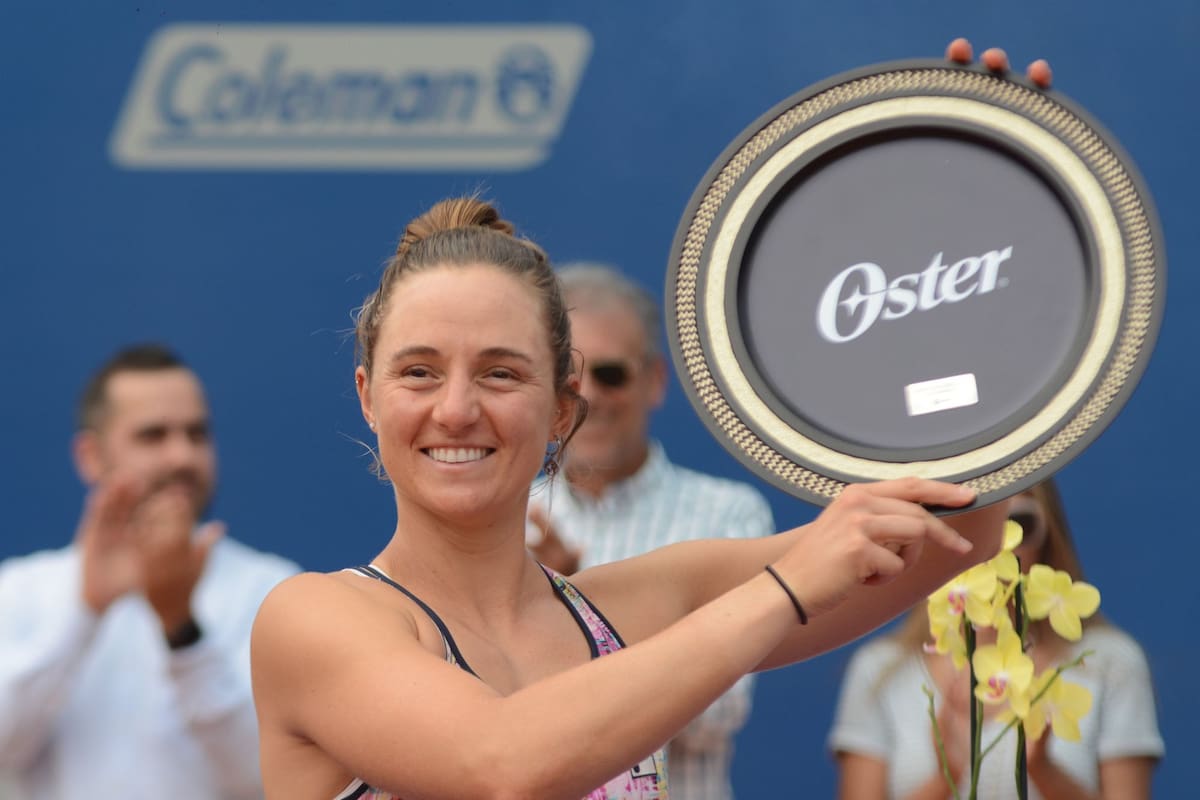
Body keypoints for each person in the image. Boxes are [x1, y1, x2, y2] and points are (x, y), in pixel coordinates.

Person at [249, 192, 1014, 800]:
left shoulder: (636, 607)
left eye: (500, 372)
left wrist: (976, 209)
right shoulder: (315, 621)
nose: (454, 409)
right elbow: (504, 765)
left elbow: (956, 532)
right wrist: (785, 588)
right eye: (418, 371)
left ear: (560, 408)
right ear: (367, 398)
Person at [0, 344, 302, 799]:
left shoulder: (271, 591)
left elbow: (270, 777)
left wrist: (181, 626)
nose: (181, 457)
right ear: (90, 457)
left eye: (196, 434)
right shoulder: (19, 591)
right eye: (152, 435)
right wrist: (84, 613)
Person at [525, 263, 773, 799]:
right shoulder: (503, 518)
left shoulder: (726, 515)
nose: (588, 396)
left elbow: (716, 712)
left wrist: (570, 604)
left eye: (610, 374)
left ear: (655, 380)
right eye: (569, 375)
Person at [827, 478, 1164, 800]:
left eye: (1018, 523)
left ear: (1049, 533)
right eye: (965, 527)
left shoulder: (1107, 663)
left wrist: (1043, 770)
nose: (994, 546)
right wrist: (949, 771)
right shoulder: (882, 670)